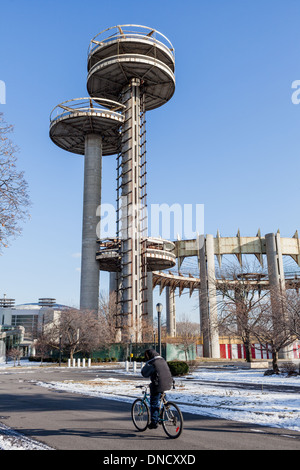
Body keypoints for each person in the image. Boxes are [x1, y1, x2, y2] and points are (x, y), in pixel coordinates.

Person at [141, 349, 173, 429]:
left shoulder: (152, 362)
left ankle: (154, 422)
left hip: (158, 384)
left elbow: (144, 373)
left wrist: (146, 365)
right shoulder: (162, 360)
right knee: (162, 395)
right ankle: (166, 407)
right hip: (168, 382)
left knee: (154, 403)